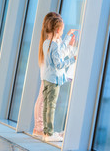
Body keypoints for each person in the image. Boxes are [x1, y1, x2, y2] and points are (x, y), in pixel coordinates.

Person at [36, 12, 76, 142]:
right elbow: (59, 63)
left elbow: (59, 49)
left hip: (48, 79)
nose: (63, 32)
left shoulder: (46, 43)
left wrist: (68, 38)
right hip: (53, 80)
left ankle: (46, 132)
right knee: (50, 106)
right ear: (58, 29)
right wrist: (72, 59)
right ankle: (49, 133)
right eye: (63, 30)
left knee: (47, 105)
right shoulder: (54, 45)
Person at [33, 12, 60, 138]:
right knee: (43, 101)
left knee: (42, 100)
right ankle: (39, 128)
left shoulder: (46, 40)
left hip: (45, 74)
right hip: (47, 75)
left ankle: (39, 128)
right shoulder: (49, 42)